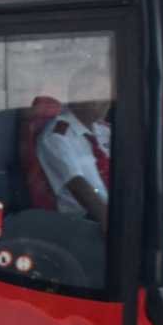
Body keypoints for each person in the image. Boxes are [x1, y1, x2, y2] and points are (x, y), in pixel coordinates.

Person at [36, 67, 112, 224]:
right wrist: (111, 222)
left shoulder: (102, 130)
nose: (107, 101)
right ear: (79, 97)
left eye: (108, 94)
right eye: (100, 94)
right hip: (85, 222)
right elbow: (78, 187)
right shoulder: (58, 138)